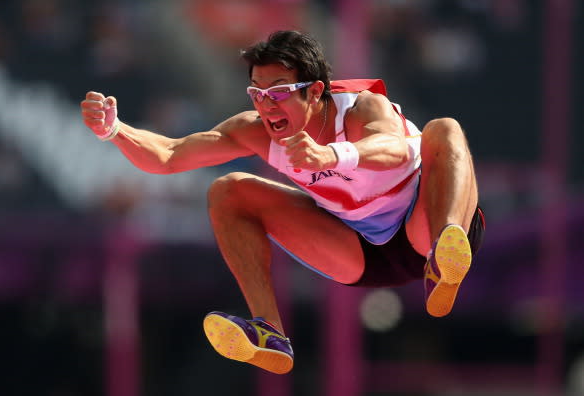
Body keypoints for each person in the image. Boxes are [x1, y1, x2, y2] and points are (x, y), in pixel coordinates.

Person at [80, 30, 485, 375]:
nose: (266, 106)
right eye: (257, 94)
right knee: (228, 190)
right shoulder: (256, 130)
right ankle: (269, 332)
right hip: (360, 252)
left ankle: (446, 257)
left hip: (423, 225)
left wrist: (333, 156)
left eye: (279, 93)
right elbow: (169, 155)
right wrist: (114, 130)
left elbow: (395, 149)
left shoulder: (361, 107)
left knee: (444, 129)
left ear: (315, 91)